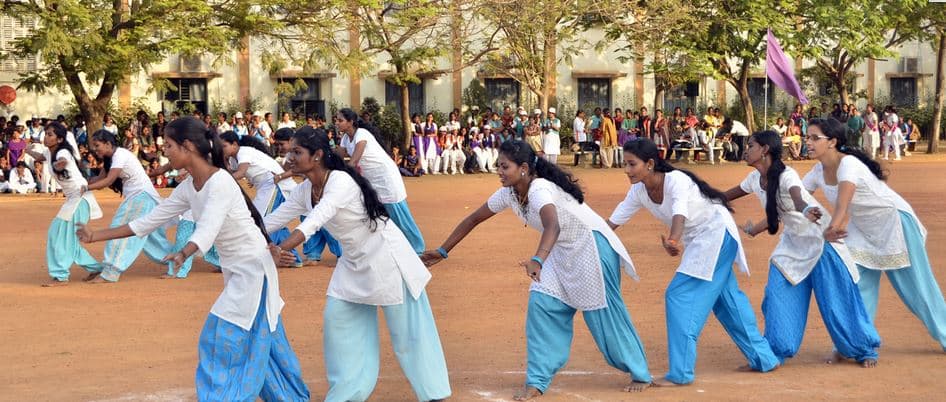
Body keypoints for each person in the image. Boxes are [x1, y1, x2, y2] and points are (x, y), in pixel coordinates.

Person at [77, 116, 310, 401]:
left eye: (169, 145)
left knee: (218, 340)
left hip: (253, 271)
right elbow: (149, 221)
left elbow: (208, 228)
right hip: (238, 272)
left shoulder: (220, 181)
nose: (165, 151)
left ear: (188, 146)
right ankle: (291, 397)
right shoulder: (190, 186)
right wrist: (94, 236)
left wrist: (185, 251)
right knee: (266, 339)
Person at [422, 139, 652, 400]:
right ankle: (537, 380)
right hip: (560, 250)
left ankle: (639, 372)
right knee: (542, 305)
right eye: (498, 165)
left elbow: (552, 225)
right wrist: (443, 250)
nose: (498, 171)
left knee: (604, 315)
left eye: (503, 166)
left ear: (522, 168)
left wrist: (538, 260)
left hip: (591, 247)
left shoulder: (540, 188)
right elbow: (474, 218)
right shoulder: (509, 193)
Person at [266, 127, 450, 402]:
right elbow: (270, 221)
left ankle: (434, 394)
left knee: (410, 335)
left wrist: (279, 249)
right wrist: (243, 234)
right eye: (289, 150)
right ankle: (347, 394)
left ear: (316, 156)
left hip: (387, 259)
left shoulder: (339, 182)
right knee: (338, 324)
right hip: (353, 264)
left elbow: (313, 223)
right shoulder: (305, 189)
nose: (288, 156)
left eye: (296, 151)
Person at [608, 138, 779, 386]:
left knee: (679, 296)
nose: (626, 170)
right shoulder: (638, 191)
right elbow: (614, 221)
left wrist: (674, 240)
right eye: (625, 164)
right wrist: (591, 237)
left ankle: (681, 373)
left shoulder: (676, 180)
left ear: (650, 164)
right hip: (704, 241)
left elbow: (680, 212)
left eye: (632, 164)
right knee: (727, 301)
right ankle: (764, 358)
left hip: (715, 235)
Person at [723, 131, 880, 367]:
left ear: (764, 150)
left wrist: (806, 210)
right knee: (777, 294)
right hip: (793, 244)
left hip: (820, 240)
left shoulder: (788, 175)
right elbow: (727, 196)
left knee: (836, 301)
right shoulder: (754, 179)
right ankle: (775, 350)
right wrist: (700, 194)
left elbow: (797, 199)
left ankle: (863, 349)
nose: (746, 149)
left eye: (751, 145)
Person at [802, 117, 946, 352]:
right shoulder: (817, 170)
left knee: (918, 288)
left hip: (894, 222)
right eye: (807, 137)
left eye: (814, 138)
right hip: (863, 228)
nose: (808, 142)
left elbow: (843, 201)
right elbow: (796, 195)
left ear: (832, 142)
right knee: (856, 284)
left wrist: (833, 228)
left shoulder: (848, 164)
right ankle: (857, 344)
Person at [85, 130, 174, 283]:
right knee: (152, 238)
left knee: (120, 229)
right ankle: (179, 260)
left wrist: (84, 189)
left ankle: (110, 271)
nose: (95, 149)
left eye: (97, 145)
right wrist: (80, 183)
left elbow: (107, 181)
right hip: (145, 198)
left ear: (108, 144)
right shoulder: (110, 158)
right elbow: (99, 179)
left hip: (140, 198)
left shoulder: (120, 154)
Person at [335, 108, 426, 253]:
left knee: (399, 215)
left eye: (340, 120)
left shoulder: (362, 134)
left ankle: (417, 249)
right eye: (336, 120)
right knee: (373, 215)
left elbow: (352, 163)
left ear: (351, 122)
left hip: (385, 178)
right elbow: (337, 157)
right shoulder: (345, 138)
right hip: (370, 181)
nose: (336, 123)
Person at [31, 123, 103, 286]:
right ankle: (95, 268)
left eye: (50, 134)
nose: (46, 137)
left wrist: (60, 164)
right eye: (46, 133)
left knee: (60, 235)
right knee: (64, 236)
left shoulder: (62, 151)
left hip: (79, 198)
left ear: (60, 139)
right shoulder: (49, 152)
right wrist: (28, 150)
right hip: (74, 199)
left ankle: (60, 276)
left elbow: (63, 160)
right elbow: (40, 156)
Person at [219, 132, 302, 266]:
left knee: (262, 221)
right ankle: (292, 258)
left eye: (223, 146)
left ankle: (266, 257)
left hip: (274, 187)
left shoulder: (243, 152)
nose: (221, 149)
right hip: (266, 188)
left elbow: (239, 173)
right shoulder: (234, 158)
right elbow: (234, 173)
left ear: (234, 144)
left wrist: (218, 180)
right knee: (271, 223)